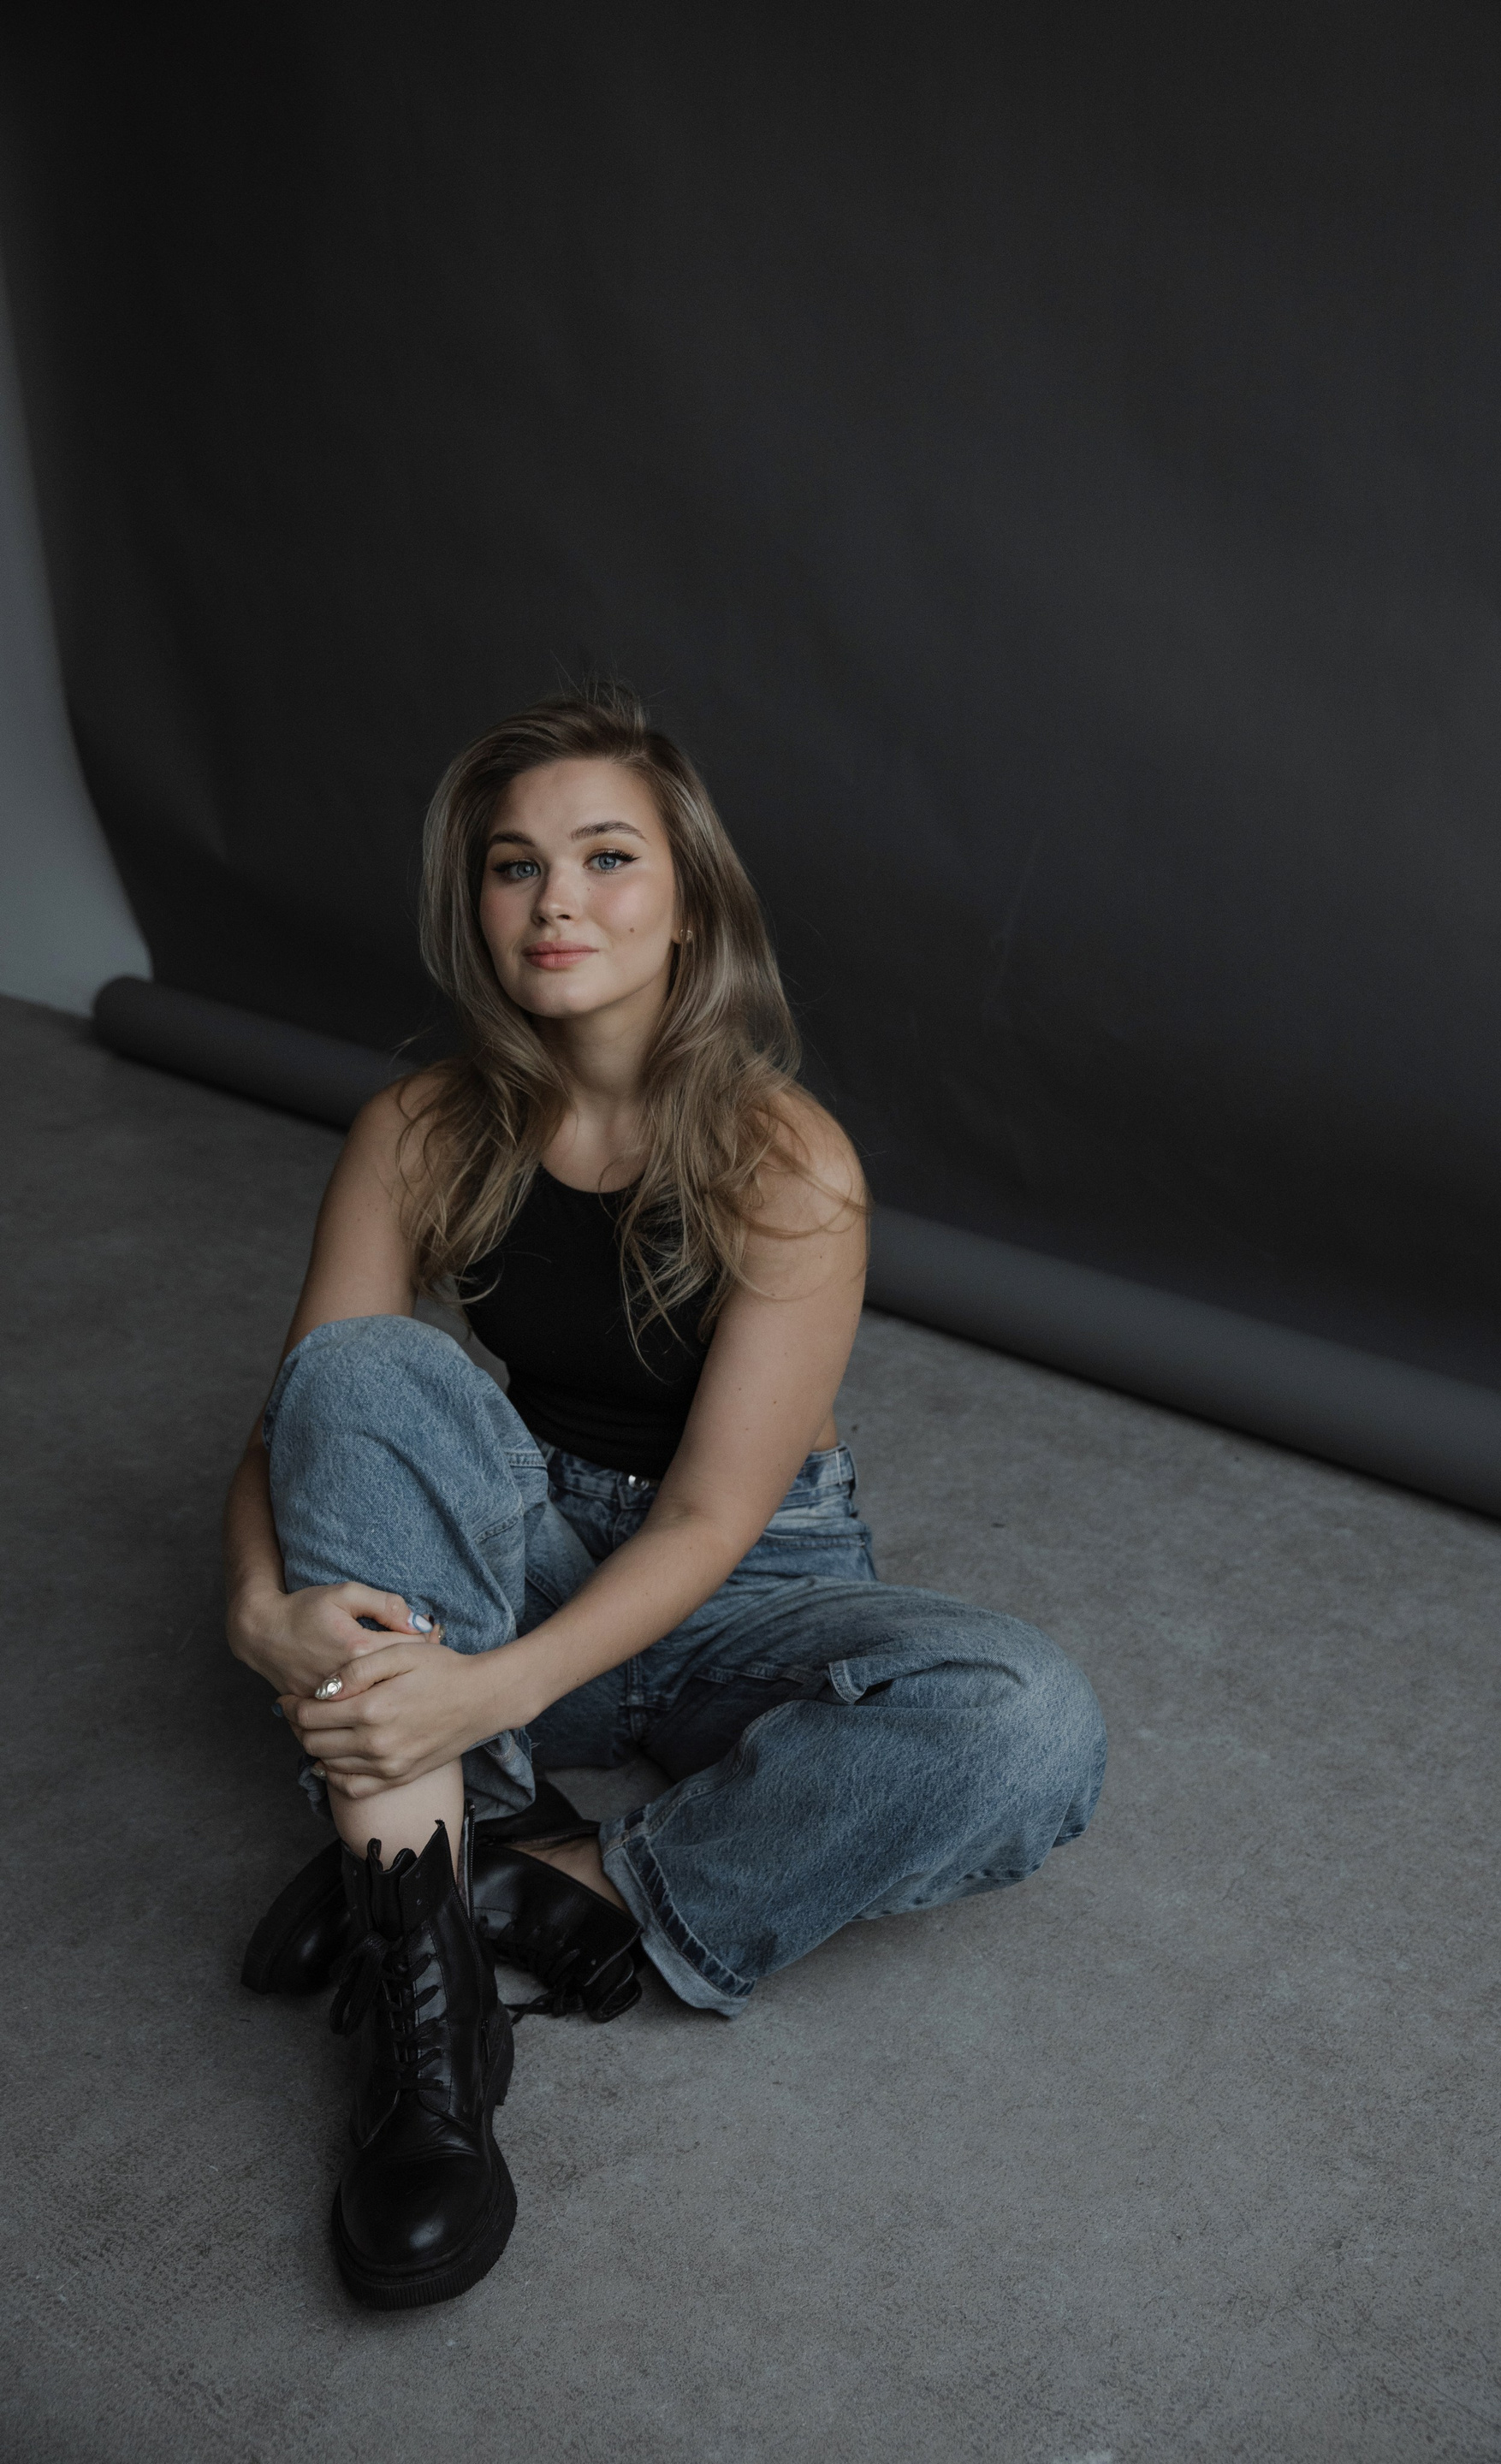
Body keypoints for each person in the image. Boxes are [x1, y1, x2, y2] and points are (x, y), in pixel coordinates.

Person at [226, 684, 1106, 2310]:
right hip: (532, 1546)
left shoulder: (787, 1158)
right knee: (361, 1371)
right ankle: (431, 2058)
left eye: (606, 856)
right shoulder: (420, 1126)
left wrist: (489, 1691)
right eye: (514, 865)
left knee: (1025, 1721)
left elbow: (707, 1525)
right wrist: (253, 1609)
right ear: (476, 904)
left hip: (743, 1579)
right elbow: (302, 1419)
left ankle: (515, 1880)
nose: (555, 899)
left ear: (690, 901)